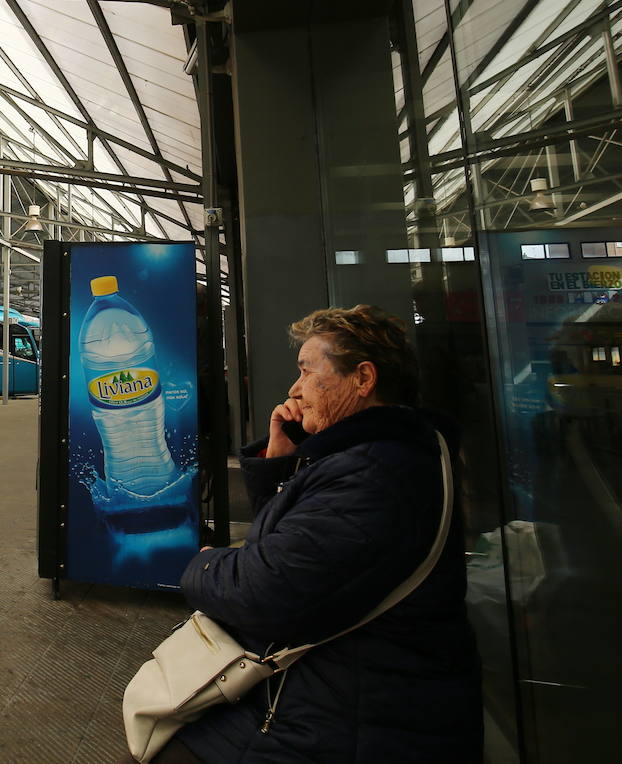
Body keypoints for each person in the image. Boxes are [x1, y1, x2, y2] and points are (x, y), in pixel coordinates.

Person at [152, 305, 481, 764]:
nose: (294, 389)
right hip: (347, 689)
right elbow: (302, 547)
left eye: (306, 372)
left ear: (363, 379)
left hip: (351, 721)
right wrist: (282, 462)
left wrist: (202, 563)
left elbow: (263, 591)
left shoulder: (375, 474)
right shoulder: (382, 454)